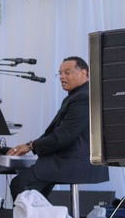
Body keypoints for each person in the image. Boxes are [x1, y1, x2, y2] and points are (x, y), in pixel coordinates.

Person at [7, 56, 108, 196]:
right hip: (71, 161)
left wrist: (31, 146)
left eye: (67, 72)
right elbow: (57, 133)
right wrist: (30, 145)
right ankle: (47, 217)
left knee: (21, 184)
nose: (62, 77)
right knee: (35, 191)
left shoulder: (83, 97)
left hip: (74, 162)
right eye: (60, 73)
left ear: (83, 73)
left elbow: (64, 136)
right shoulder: (78, 95)